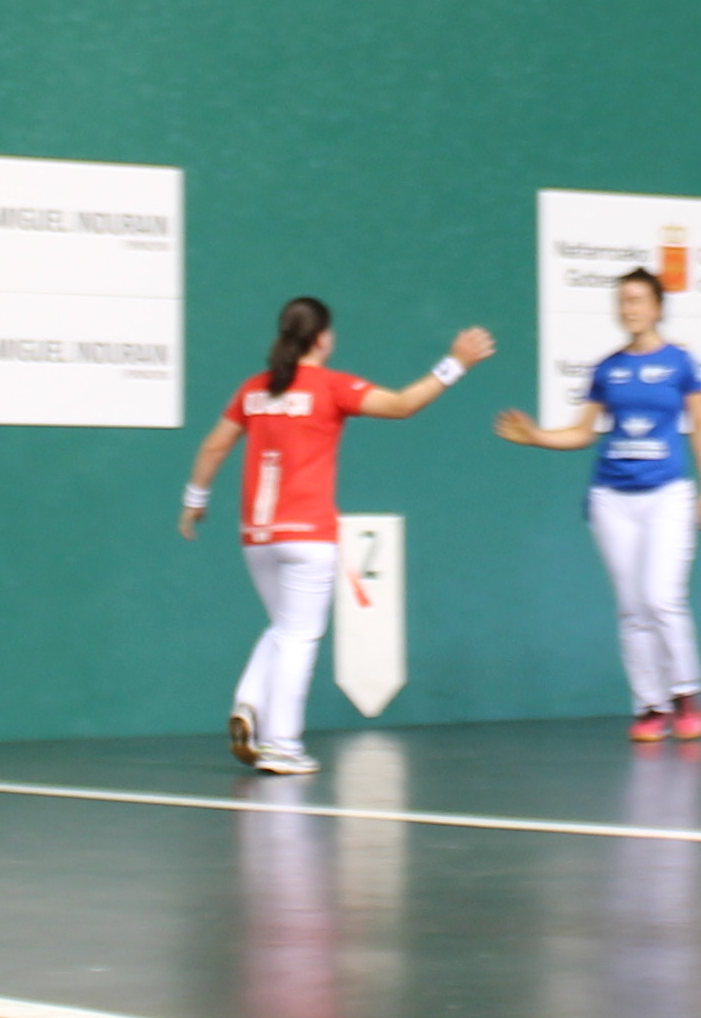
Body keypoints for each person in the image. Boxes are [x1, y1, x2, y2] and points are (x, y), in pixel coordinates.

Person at [179, 296, 491, 777]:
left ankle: (249, 705)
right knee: (300, 635)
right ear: (322, 338)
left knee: (284, 628)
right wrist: (457, 364)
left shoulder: (253, 390)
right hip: (308, 536)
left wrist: (195, 501)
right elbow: (403, 405)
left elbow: (215, 444)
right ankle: (281, 743)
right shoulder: (331, 386)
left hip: (257, 538)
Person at [492, 268, 701, 741]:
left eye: (638, 300)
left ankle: (686, 695)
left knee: (662, 597)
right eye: (623, 301)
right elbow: (583, 432)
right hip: (611, 498)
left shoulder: (682, 363)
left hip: (667, 495)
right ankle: (649, 706)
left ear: (657, 307)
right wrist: (537, 435)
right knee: (631, 606)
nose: (629, 309)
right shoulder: (606, 368)